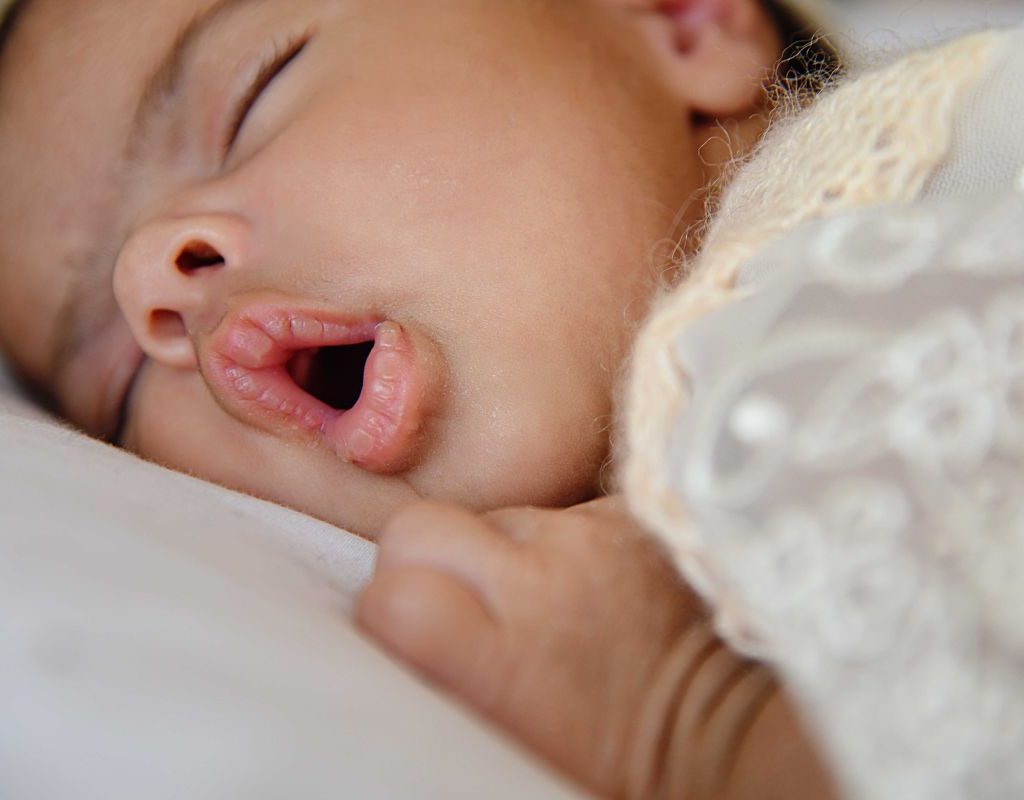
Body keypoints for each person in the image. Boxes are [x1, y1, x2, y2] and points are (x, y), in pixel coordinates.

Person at [0, 0, 899, 797]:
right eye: (118, 387)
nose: (146, 277)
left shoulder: (928, 199)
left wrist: (697, 717)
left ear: (680, 19)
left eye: (251, 94)